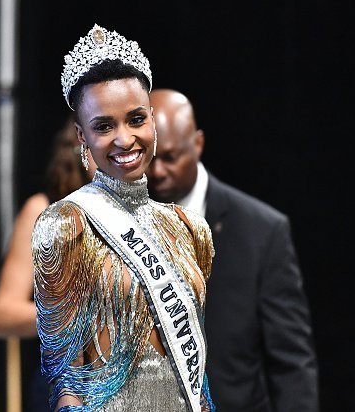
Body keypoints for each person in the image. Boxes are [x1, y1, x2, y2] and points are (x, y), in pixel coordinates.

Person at [30, 24, 216, 411]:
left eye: (135, 119)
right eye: (103, 126)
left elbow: (197, 374)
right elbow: (66, 378)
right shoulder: (66, 226)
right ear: (82, 136)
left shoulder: (189, 228)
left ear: (151, 118)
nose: (124, 139)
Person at [146, 88, 319, 411]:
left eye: (170, 157)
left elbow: (292, 361)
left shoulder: (262, 232)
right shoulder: (117, 222)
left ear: (197, 145)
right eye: (150, 158)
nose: (157, 171)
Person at [0, 115, 97, 410]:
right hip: (71, 382)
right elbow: (4, 314)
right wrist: (75, 314)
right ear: (80, 144)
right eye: (103, 128)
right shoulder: (45, 210)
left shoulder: (151, 209)